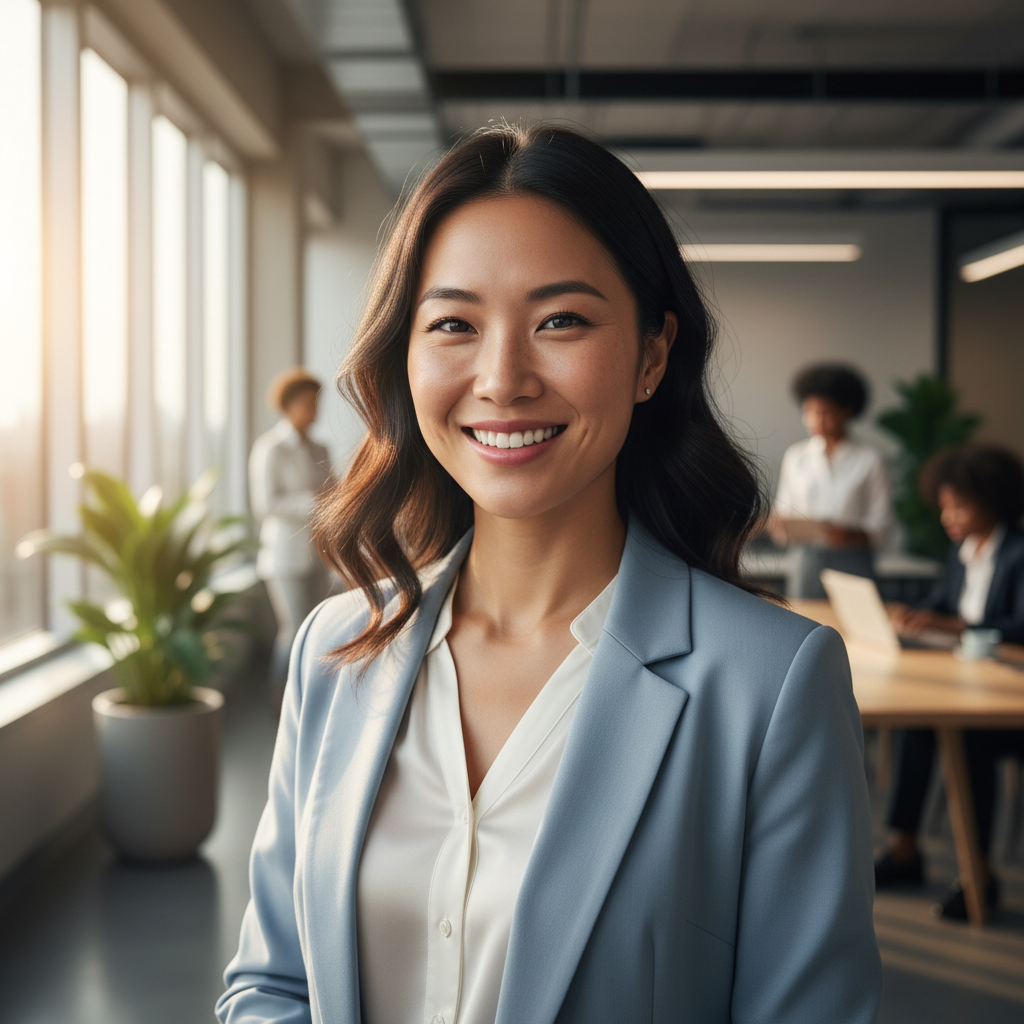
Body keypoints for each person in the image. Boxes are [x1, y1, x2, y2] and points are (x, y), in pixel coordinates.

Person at [218, 124, 881, 1024]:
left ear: (652, 355)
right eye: (454, 323)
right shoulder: (337, 651)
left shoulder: (770, 687)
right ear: (403, 356)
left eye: (561, 320)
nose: (502, 378)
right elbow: (274, 983)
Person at [875, 443, 1024, 920]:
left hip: (1008, 692)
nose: (948, 518)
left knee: (967, 738)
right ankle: (904, 851)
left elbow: (1019, 624)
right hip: (972, 679)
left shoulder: (1019, 553)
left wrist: (959, 628)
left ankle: (978, 876)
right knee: (919, 724)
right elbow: (944, 601)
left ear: (994, 501)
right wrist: (918, 615)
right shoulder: (964, 551)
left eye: (958, 506)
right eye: (944, 507)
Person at [771, 364, 891, 598]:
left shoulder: (869, 459)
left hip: (853, 560)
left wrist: (847, 535)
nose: (816, 420)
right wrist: (778, 527)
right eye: (809, 412)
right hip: (807, 559)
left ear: (846, 412)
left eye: (825, 412)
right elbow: (783, 510)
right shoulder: (796, 456)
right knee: (807, 626)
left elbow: (882, 524)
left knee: (856, 629)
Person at [248, 367, 335, 690]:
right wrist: (313, 502)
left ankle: (309, 695)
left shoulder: (319, 449)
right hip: (285, 556)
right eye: (309, 402)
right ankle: (279, 695)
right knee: (295, 628)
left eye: (317, 402)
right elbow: (265, 504)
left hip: (319, 553)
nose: (315, 410)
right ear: (291, 404)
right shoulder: (270, 448)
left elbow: (334, 492)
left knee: (318, 629)